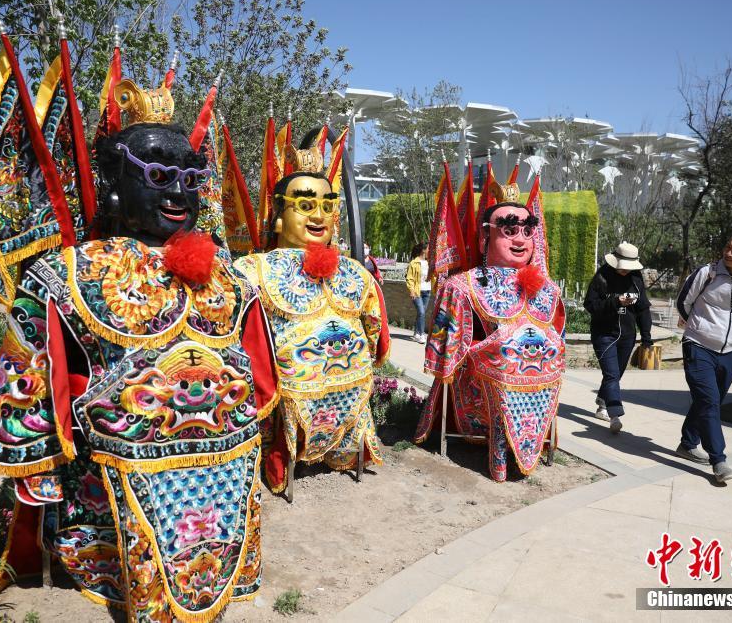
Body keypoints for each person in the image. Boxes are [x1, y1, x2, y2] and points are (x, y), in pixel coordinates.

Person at [0, 52, 278, 619]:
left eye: (190, 178)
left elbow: (258, 371)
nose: (178, 195)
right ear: (114, 182)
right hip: (118, 477)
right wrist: (38, 471)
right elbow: (30, 382)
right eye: (159, 176)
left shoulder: (229, 277)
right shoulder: (69, 273)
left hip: (224, 470)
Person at [233, 141, 390, 496]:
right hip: (287, 389)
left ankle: (346, 448)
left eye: (326, 205)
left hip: (351, 383)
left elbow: (373, 326)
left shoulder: (355, 272)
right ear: (278, 213)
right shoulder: (252, 270)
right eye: (304, 206)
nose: (318, 217)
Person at [414, 175, 565, 481]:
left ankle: (533, 442)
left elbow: (558, 337)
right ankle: (496, 452)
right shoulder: (463, 285)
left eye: (527, 230)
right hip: (484, 378)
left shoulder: (548, 290)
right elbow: (448, 343)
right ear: (486, 237)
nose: (520, 240)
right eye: (509, 231)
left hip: (539, 377)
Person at [675, 228, 732, 483]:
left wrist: (731, 331)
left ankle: (687, 444)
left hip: (729, 351)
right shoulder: (708, 273)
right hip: (698, 343)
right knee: (709, 400)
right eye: (727, 247)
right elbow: (684, 301)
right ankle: (719, 460)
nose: (727, 253)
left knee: (710, 400)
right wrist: (698, 324)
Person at [584, 241, 653, 434]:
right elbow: (590, 305)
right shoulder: (602, 277)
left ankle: (602, 401)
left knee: (616, 374)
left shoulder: (636, 278)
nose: (626, 271)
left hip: (627, 336)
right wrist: (615, 301)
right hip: (604, 334)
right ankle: (614, 414)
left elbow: (643, 309)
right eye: (623, 268)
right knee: (612, 375)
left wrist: (646, 337)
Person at [406, 243, 431, 342]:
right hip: (417, 291)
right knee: (421, 312)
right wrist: (411, 290)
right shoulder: (414, 263)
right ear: (423, 250)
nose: (430, 250)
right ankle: (421, 334)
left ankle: (416, 333)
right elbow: (409, 278)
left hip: (427, 291)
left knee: (421, 313)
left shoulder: (429, 262)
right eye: (428, 248)